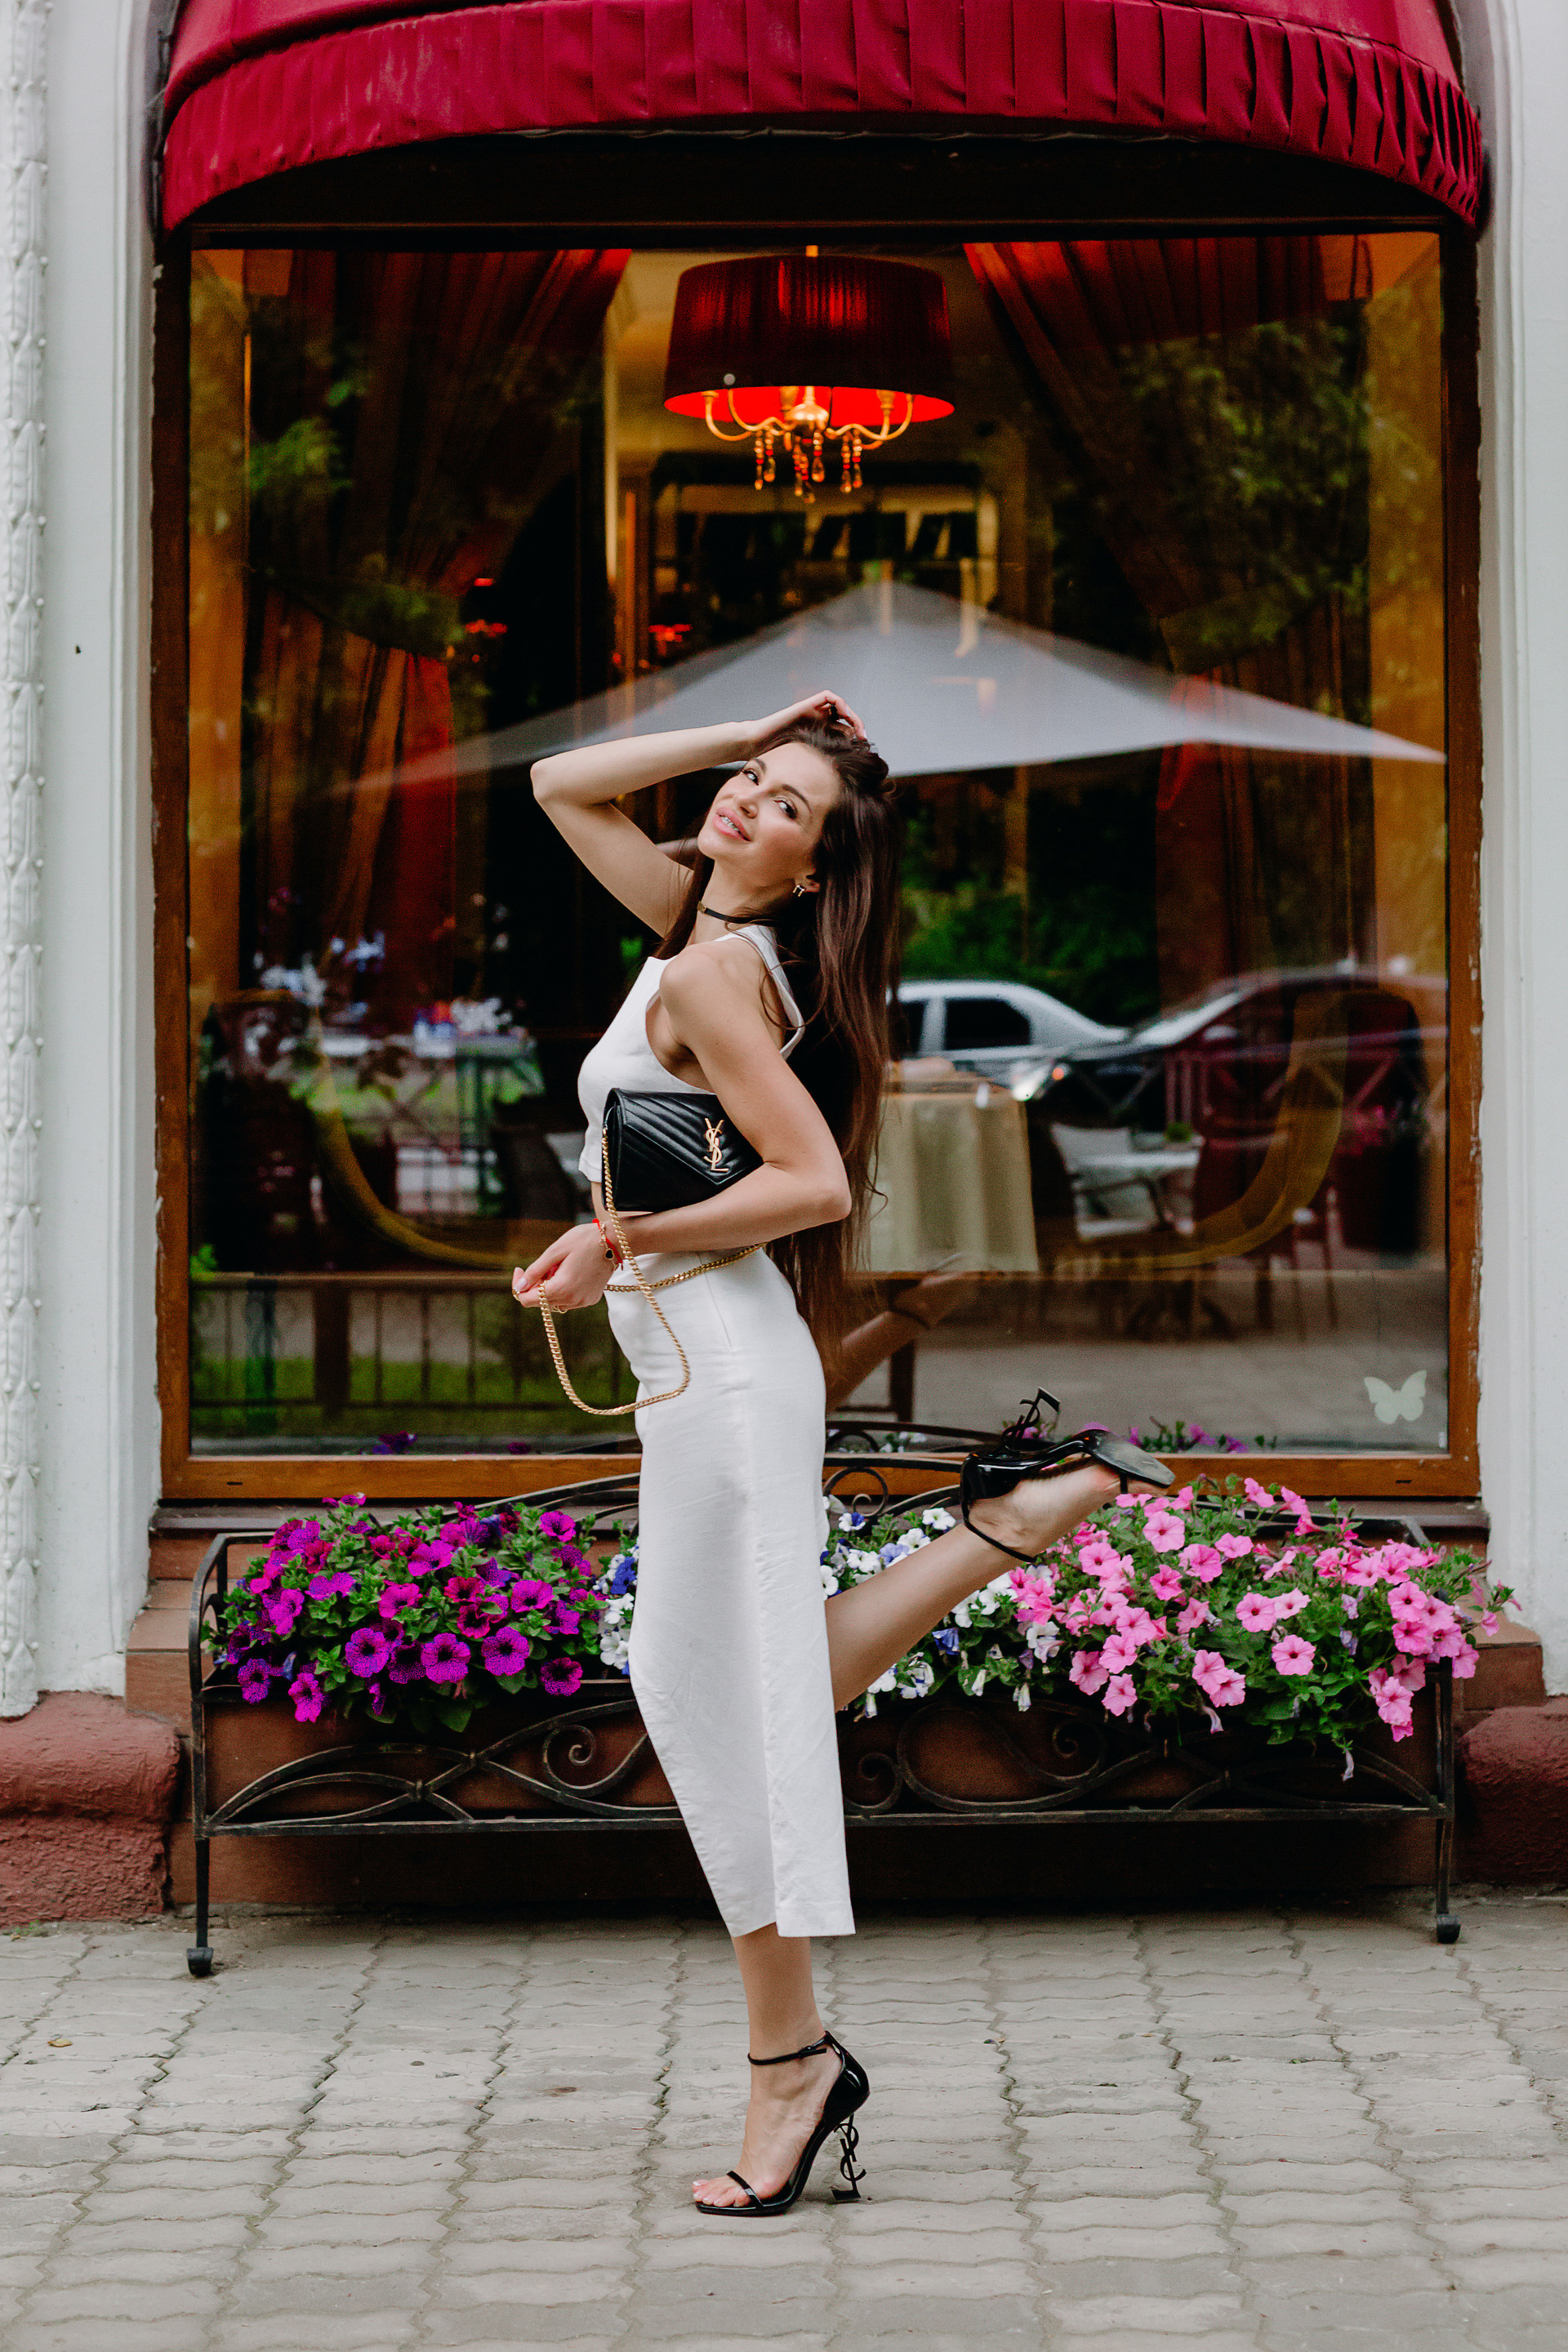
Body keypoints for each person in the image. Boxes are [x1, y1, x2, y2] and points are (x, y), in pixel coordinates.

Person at [514, 693, 1169, 2216]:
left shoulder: (719, 972)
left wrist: (618, 1239)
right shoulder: (694, 928)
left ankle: (790, 2067)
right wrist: (750, 728)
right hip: (704, 1367)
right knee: (733, 1687)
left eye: (787, 805)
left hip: (728, 1370)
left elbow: (810, 1183)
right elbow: (558, 784)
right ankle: (1010, 1525)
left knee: (728, 1709)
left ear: (815, 870)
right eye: (747, 780)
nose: (746, 800)